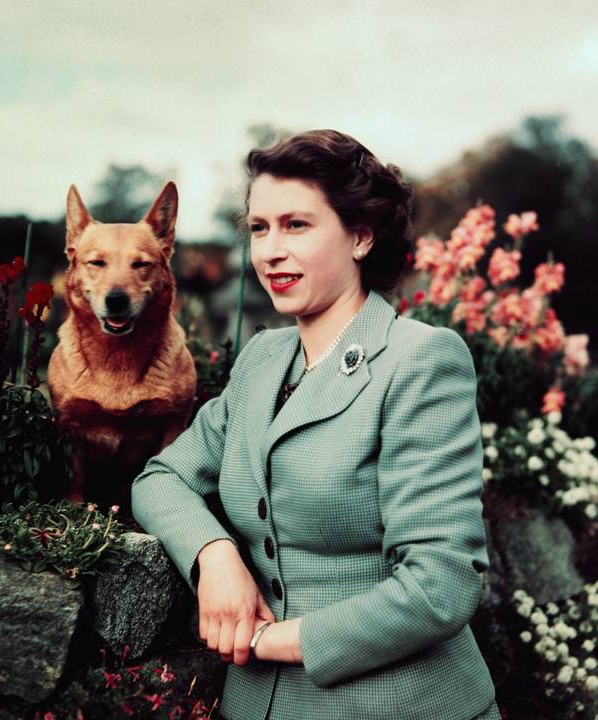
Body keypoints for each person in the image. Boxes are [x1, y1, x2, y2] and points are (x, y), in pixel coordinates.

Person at [131, 129, 501, 720]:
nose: (270, 250)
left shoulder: (421, 360)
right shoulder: (261, 360)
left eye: (296, 225)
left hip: (399, 705)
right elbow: (160, 478)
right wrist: (216, 555)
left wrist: (267, 640)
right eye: (258, 228)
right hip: (257, 707)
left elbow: (441, 586)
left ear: (360, 236)